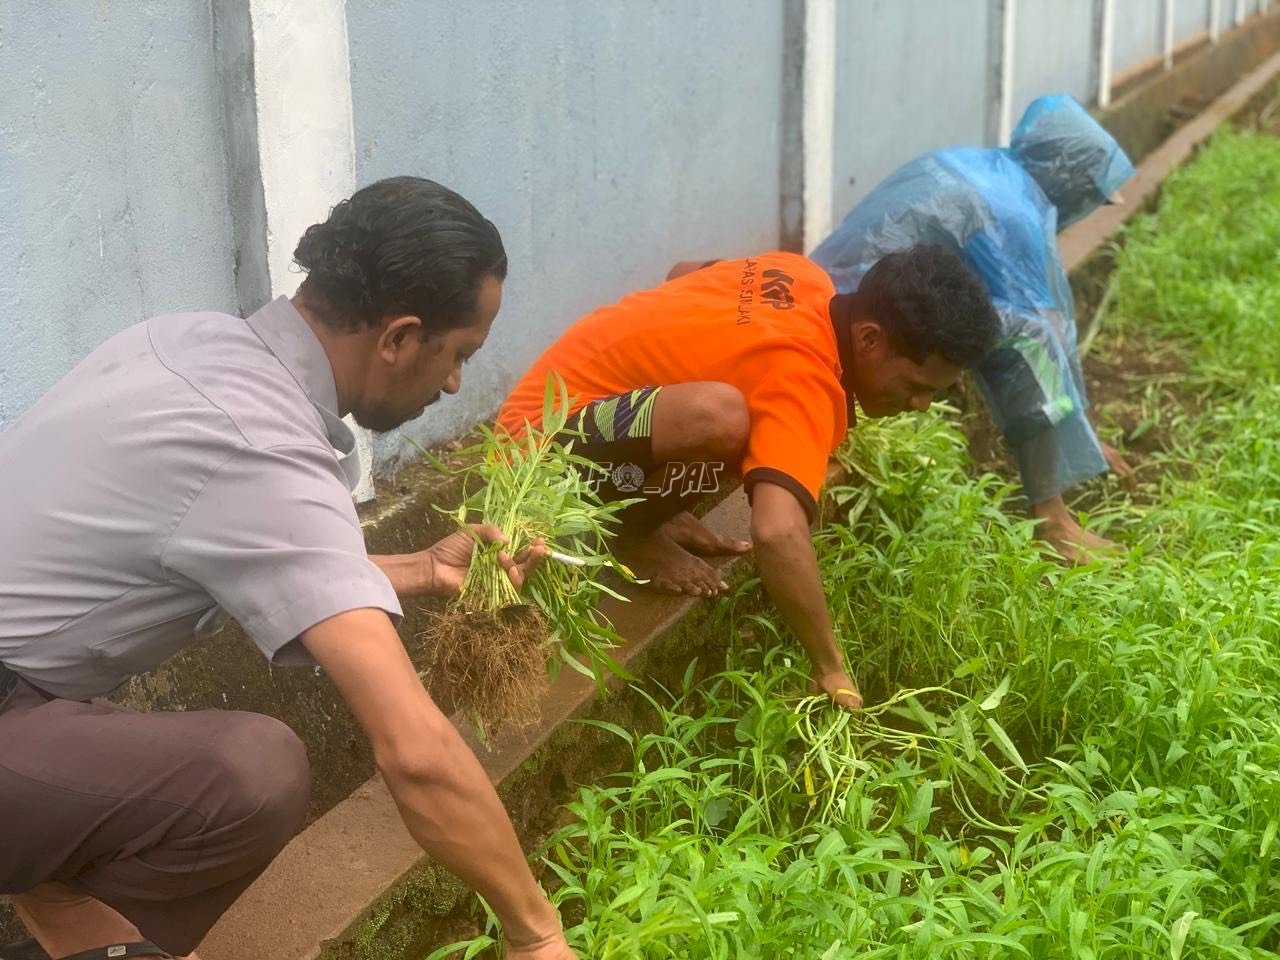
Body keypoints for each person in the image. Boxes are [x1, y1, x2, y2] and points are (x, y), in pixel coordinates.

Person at [0, 178, 575, 960]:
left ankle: (83, 929)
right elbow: (415, 751)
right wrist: (535, 932)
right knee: (249, 775)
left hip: (23, 694)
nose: (452, 385)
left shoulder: (188, 341)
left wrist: (410, 568)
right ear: (400, 337)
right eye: (458, 356)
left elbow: (240, 545)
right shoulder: (260, 445)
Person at [497, 245, 1000, 710]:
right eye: (916, 386)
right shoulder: (804, 378)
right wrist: (830, 666)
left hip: (555, 413)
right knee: (721, 418)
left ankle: (642, 508)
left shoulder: (800, 276)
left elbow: (684, 274)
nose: (921, 404)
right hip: (534, 462)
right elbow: (777, 531)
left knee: (732, 409)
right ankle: (630, 534)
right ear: (869, 339)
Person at [810, 93, 1137, 564]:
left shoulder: (978, 166)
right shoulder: (1014, 211)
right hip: (876, 318)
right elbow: (1042, 323)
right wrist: (1077, 429)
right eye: (1090, 195)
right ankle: (1052, 520)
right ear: (1070, 179)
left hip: (838, 293)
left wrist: (1080, 433)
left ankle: (1054, 505)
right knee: (1032, 339)